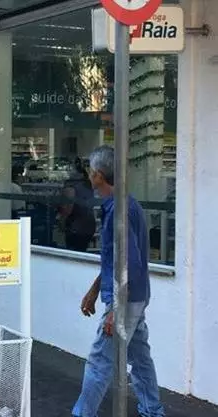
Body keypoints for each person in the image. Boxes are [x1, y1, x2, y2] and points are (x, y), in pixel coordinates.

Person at [72, 146, 165, 417]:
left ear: (99, 176)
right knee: (140, 358)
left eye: (91, 170)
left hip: (126, 299)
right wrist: (94, 291)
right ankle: (153, 410)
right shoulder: (122, 205)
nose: (89, 175)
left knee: (100, 361)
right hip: (136, 296)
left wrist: (116, 308)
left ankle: (82, 414)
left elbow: (129, 264)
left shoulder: (119, 211)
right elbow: (118, 259)